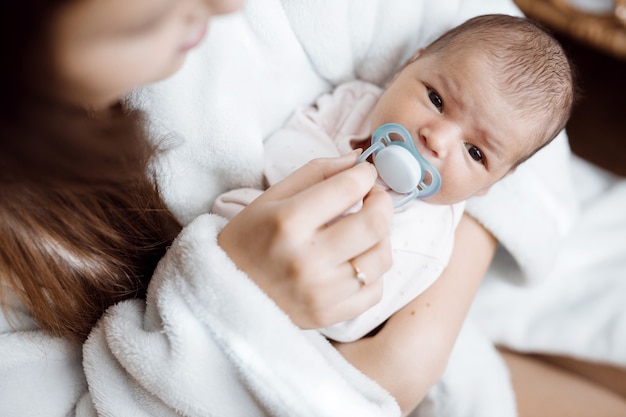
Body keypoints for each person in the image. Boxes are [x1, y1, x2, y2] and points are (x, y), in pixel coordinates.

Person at [1, 1, 624, 417]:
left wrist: (418, 344)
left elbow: (495, 51)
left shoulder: (443, 215)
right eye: (434, 100)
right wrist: (235, 304)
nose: (227, 7)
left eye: (477, 154)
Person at [213, 14, 574, 343]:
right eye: (436, 99)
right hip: (244, 225)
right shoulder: (357, 102)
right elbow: (278, 148)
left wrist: (356, 214)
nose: (437, 140)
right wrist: (342, 170)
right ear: (406, 67)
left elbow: (349, 323)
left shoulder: (426, 240)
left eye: (475, 152)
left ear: (489, 186)